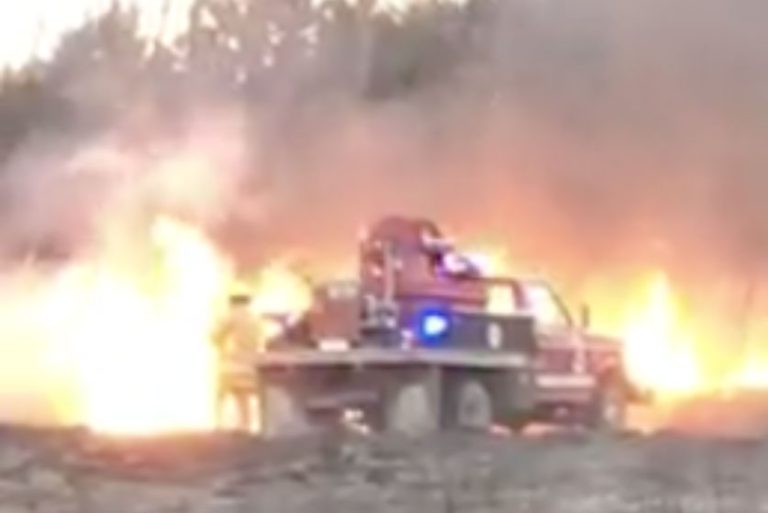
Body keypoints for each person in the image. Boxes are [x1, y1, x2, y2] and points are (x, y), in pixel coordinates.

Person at [212, 284, 263, 432]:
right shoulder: (255, 318)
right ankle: (245, 425)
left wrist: (220, 348)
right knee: (243, 395)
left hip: (232, 362)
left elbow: (215, 336)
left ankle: (219, 423)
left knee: (221, 394)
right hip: (251, 362)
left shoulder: (231, 316)